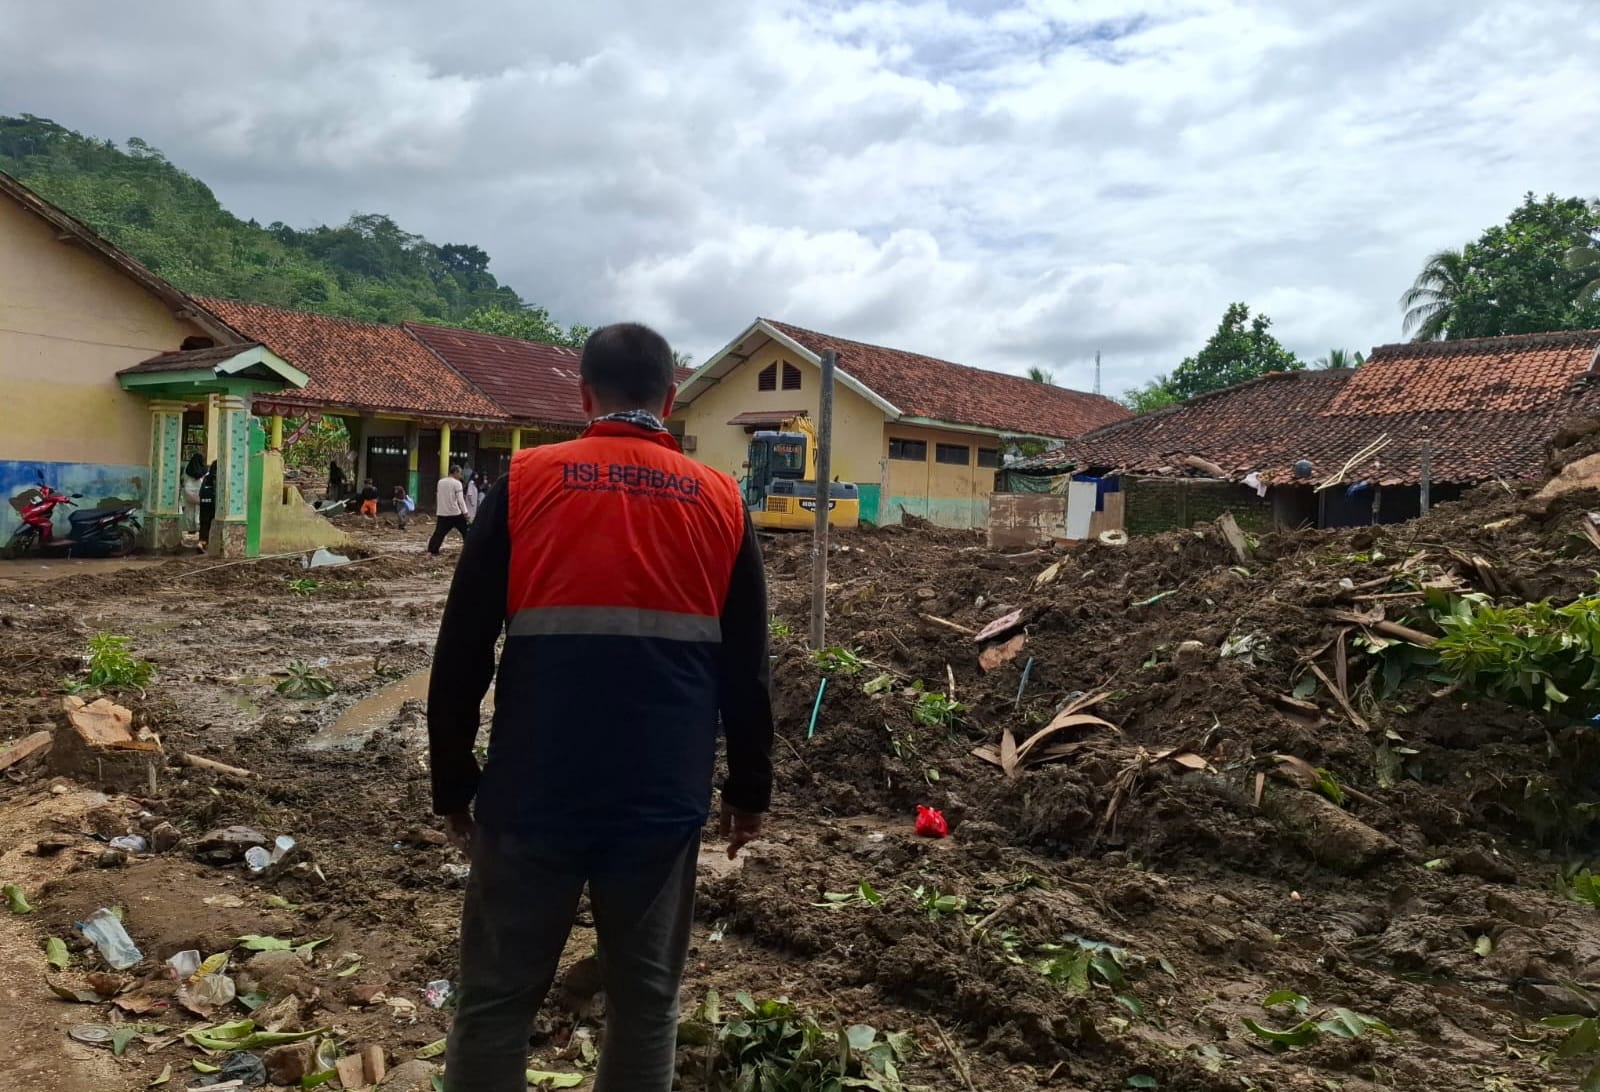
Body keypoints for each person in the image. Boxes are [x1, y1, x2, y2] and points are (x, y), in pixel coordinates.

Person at [427, 323, 772, 1092]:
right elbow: (748, 670)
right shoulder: (721, 499)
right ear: (671, 397)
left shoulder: (527, 481)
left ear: (584, 394)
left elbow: (463, 651)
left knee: (494, 1003)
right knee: (646, 1004)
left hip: (531, 792)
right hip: (661, 799)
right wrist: (750, 790)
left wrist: (453, 780)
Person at [428, 466, 470, 554]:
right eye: (460, 473)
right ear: (455, 472)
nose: (460, 475)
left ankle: (432, 549)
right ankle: (469, 549)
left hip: (442, 512)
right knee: (466, 531)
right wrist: (465, 513)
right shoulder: (457, 483)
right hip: (455, 513)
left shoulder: (440, 482)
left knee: (439, 533)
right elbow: (460, 500)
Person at [181, 452, 205, 534]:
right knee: (199, 510)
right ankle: (198, 527)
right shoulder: (204, 469)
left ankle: (190, 529)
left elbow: (184, 479)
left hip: (188, 492)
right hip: (199, 491)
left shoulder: (188, 468)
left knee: (189, 510)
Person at [197, 461, 217, 552]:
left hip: (204, 502)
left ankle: (201, 542)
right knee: (212, 523)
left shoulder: (207, 477)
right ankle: (210, 543)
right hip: (212, 502)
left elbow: (201, 492)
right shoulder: (216, 477)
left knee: (204, 523)